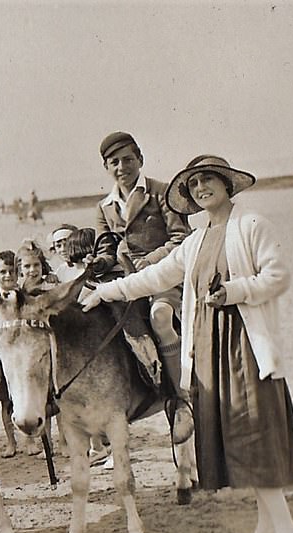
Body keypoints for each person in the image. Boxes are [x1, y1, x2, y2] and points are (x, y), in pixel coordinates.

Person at [82, 155, 293, 533]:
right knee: (236, 438)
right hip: (208, 346)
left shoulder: (252, 225)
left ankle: (289, 529)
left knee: (253, 436)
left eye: (208, 181)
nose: (202, 189)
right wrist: (104, 293)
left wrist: (236, 291)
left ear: (226, 185)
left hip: (244, 346)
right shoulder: (195, 240)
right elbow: (153, 278)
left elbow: (279, 276)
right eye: (194, 185)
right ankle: (268, 525)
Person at [93, 131, 192, 414]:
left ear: (140, 159)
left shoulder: (161, 192)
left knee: (160, 318)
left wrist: (149, 262)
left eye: (127, 160)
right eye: (114, 162)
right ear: (107, 167)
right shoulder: (103, 207)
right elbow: (107, 249)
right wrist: (99, 262)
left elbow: (179, 237)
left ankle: (179, 394)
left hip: (165, 276)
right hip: (125, 281)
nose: (121, 167)